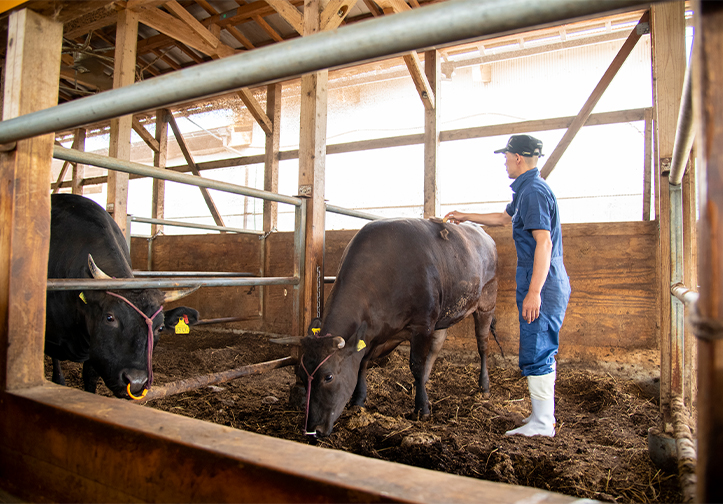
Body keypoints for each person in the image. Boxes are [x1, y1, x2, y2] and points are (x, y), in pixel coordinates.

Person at [444, 134, 571, 438]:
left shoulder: (534, 193)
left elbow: (544, 242)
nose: (504, 162)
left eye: (506, 157)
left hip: (543, 280)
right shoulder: (527, 190)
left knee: (538, 347)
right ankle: (542, 417)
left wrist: (535, 292)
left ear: (517, 158)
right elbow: (504, 218)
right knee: (538, 345)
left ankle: (542, 423)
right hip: (539, 277)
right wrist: (465, 216)